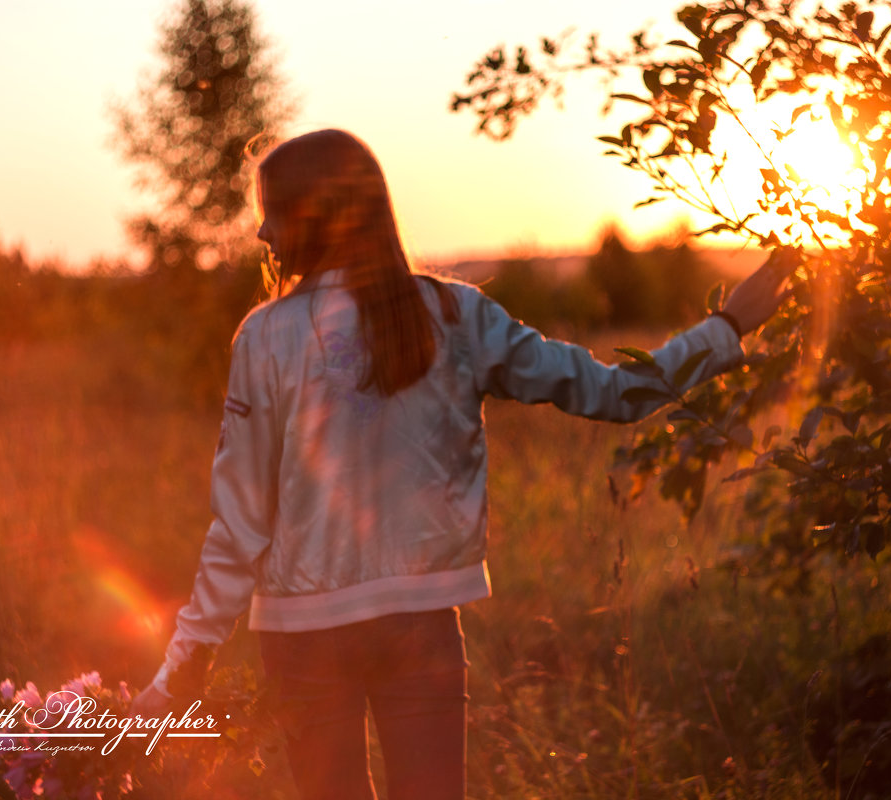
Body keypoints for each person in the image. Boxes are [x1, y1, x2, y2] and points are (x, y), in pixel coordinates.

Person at [132, 128, 797, 799]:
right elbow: (613, 392)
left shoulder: (265, 337)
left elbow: (239, 525)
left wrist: (181, 667)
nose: (260, 232)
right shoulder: (455, 313)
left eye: (270, 211)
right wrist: (725, 331)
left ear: (315, 213)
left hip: (304, 640)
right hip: (419, 626)